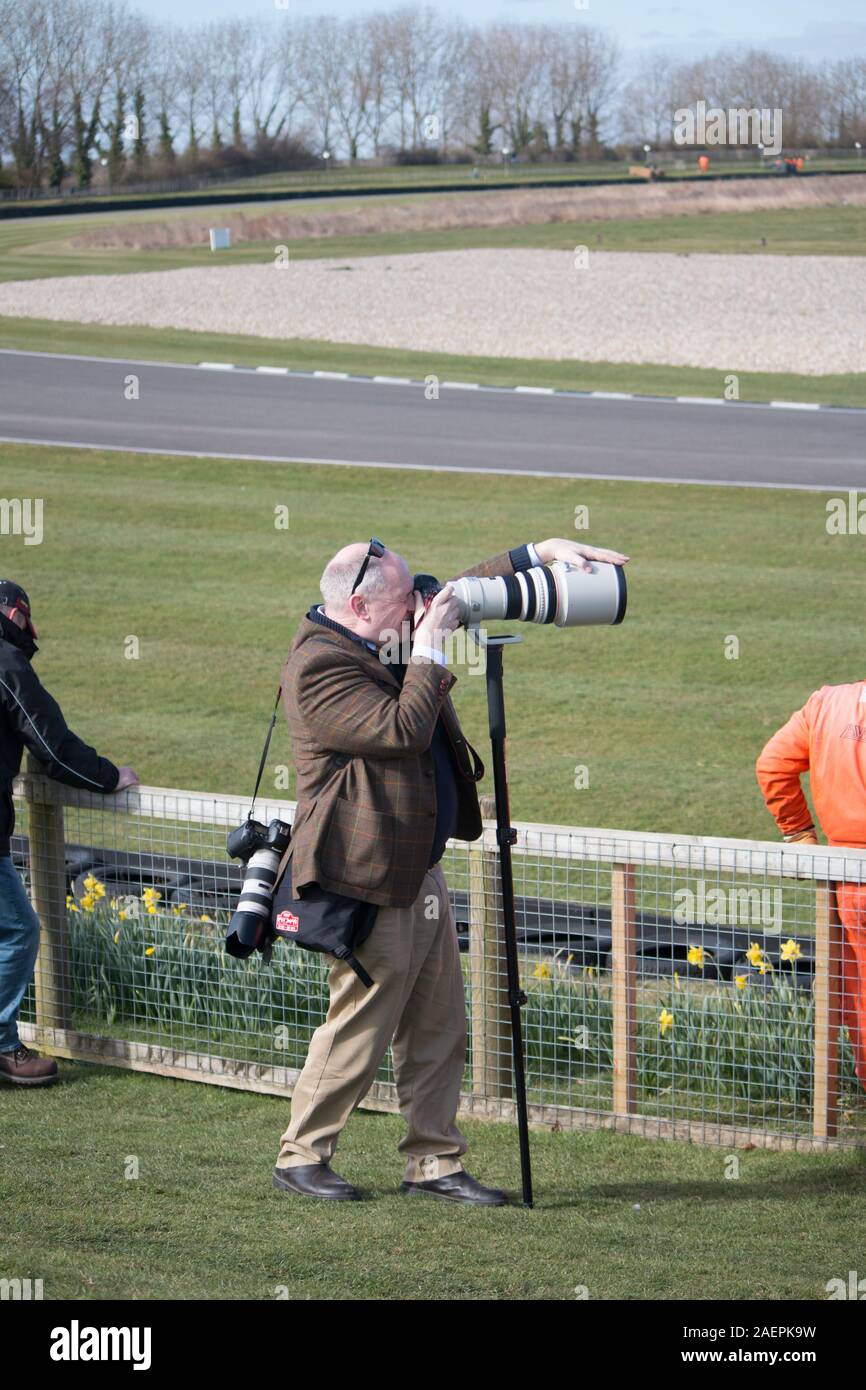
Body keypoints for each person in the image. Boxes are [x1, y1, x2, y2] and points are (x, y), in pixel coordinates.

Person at [271, 535, 629, 1204]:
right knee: (362, 1021)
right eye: (407, 597)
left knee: (439, 1025)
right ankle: (301, 1155)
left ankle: (434, 1164)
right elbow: (401, 728)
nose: (420, 605)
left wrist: (534, 554)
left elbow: (457, 591)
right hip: (364, 874)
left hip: (418, 866)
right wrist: (433, 642)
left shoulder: (378, 633)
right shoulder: (320, 666)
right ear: (357, 603)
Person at [0, 580, 139, 1085]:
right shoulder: (8, 665)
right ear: (17, 617)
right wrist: (109, 776)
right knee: (19, 929)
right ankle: (2, 1045)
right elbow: (53, 749)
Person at [756, 679, 866, 1092]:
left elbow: (772, 764)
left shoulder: (827, 702)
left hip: (849, 881)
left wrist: (798, 831)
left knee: (860, 988)